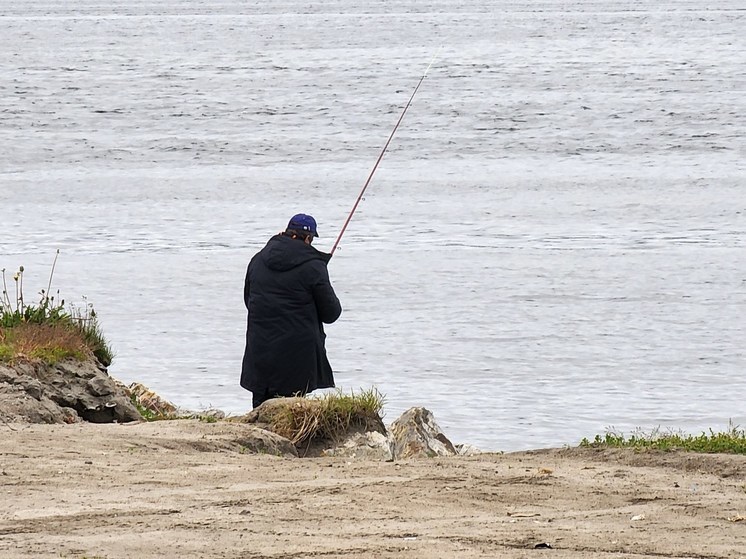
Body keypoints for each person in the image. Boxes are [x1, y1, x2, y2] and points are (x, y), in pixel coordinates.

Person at [240, 213, 342, 408]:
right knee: (290, 414)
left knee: (260, 413)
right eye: (310, 239)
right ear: (307, 238)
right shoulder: (314, 267)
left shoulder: (258, 260)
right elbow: (331, 313)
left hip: (260, 353)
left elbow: (249, 301)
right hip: (297, 360)